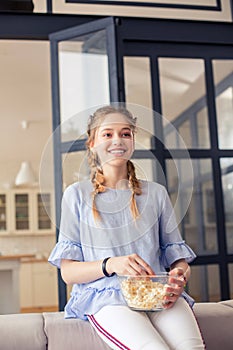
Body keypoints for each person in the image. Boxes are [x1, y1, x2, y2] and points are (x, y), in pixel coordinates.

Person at [48, 105, 205, 350]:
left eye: (125, 133)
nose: (117, 140)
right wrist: (111, 264)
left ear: (132, 141)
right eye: (107, 134)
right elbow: (68, 273)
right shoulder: (76, 195)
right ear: (92, 143)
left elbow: (177, 259)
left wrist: (179, 275)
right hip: (105, 297)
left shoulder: (156, 193)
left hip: (159, 294)